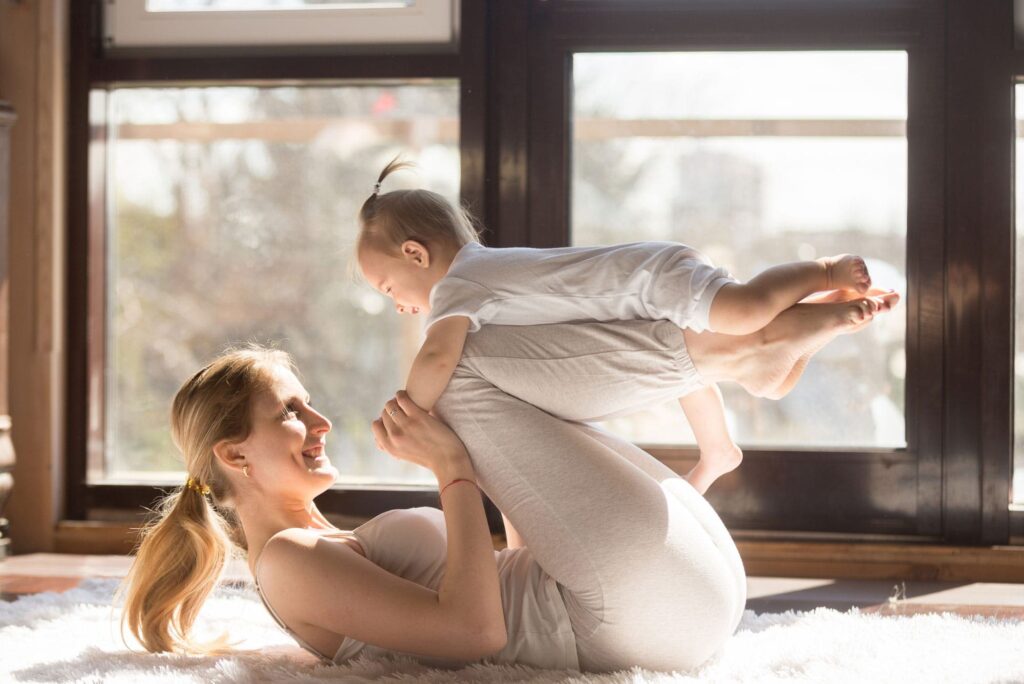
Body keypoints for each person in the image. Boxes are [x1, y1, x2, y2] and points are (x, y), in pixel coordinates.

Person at [116, 286, 898, 674]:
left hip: (674, 602)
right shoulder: (286, 561)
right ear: (235, 455)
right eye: (291, 412)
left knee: (476, 380)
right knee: (456, 375)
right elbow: (476, 634)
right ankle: (731, 351)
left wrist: (484, 468)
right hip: (627, 618)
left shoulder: (318, 545)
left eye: (311, 405)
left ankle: (728, 359)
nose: (321, 424)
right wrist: (456, 469)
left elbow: (514, 567)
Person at [356, 158, 881, 493]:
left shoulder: (459, 285)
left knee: (744, 308)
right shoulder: (480, 274)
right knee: (692, 375)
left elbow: (437, 357)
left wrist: (409, 409)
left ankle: (822, 271)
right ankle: (721, 447)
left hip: (653, 280)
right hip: (643, 297)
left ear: (415, 254)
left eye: (388, 289)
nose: (398, 305)